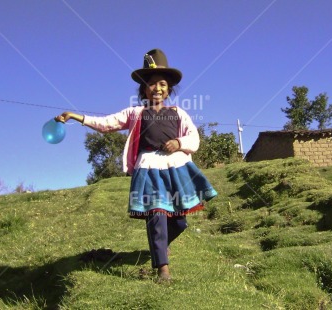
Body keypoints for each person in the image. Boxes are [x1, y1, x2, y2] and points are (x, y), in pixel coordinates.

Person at [55, 48, 217, 281]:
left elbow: (194, 138)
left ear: (169, 89)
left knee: (179, 223)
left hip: (176, 170)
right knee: (157, 214)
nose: (157, 88)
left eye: (162, 84)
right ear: (143, 89)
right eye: (152, 84)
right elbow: (106, 123)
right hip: (149, 169)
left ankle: (158, 246)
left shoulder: (178, 114)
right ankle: (163, 268)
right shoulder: (135, 113)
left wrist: (178, 142)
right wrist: (76, 116)